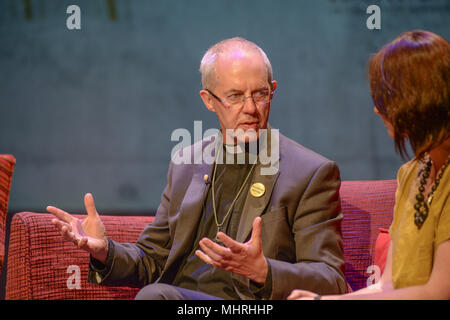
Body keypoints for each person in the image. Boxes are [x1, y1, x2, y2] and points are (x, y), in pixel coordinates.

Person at [47, 37, 348, 300]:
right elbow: (152, 258)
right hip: (180, 296)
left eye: (260, 93)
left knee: (155, 296)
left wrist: (264, 271)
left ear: (273, 90)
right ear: (208, 100)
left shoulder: (309, 173)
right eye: (235, 96)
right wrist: (104, 250)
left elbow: (332, 280)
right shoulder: (186, 163)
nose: (251, 109)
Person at [289, 30, 450, 300]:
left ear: (415, 99)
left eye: (385, 96)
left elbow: (440, 291)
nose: (377, 109)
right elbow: (389, 286)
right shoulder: (412, 173)